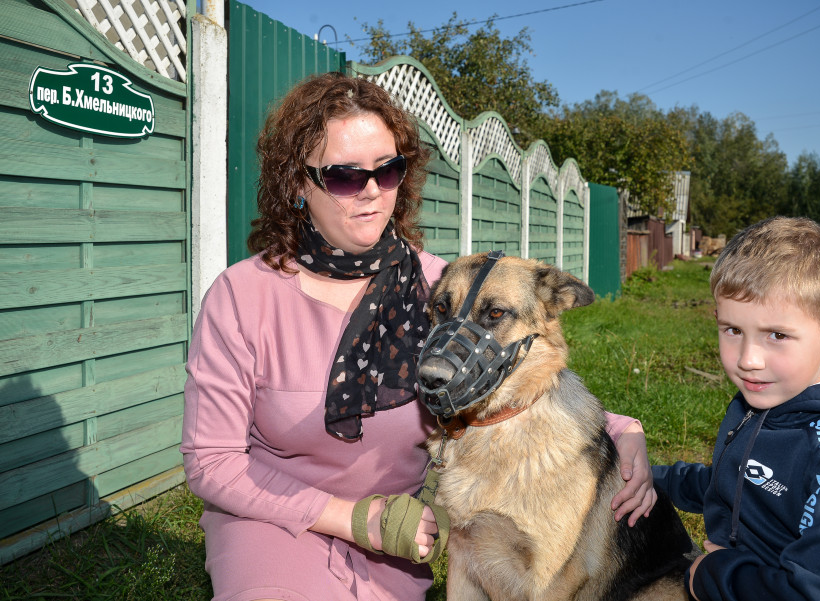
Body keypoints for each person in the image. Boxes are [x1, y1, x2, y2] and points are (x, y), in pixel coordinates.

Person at [181, 71, 655, 601]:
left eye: (387, 171)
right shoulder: (242, 296)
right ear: (297, 183)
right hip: (272, 524)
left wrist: (623, 428)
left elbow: (517, 380)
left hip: (401, 541)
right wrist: (351, 519)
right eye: (343, 176)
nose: (371, 193)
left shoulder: (442, 288)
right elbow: (211, 462)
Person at [653, 216, 820, 601]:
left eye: (778, 335)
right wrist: (653, 480)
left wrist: (714, 576)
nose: (749, 359)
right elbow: (739, 481)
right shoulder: (772, 400)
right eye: (733, 330)